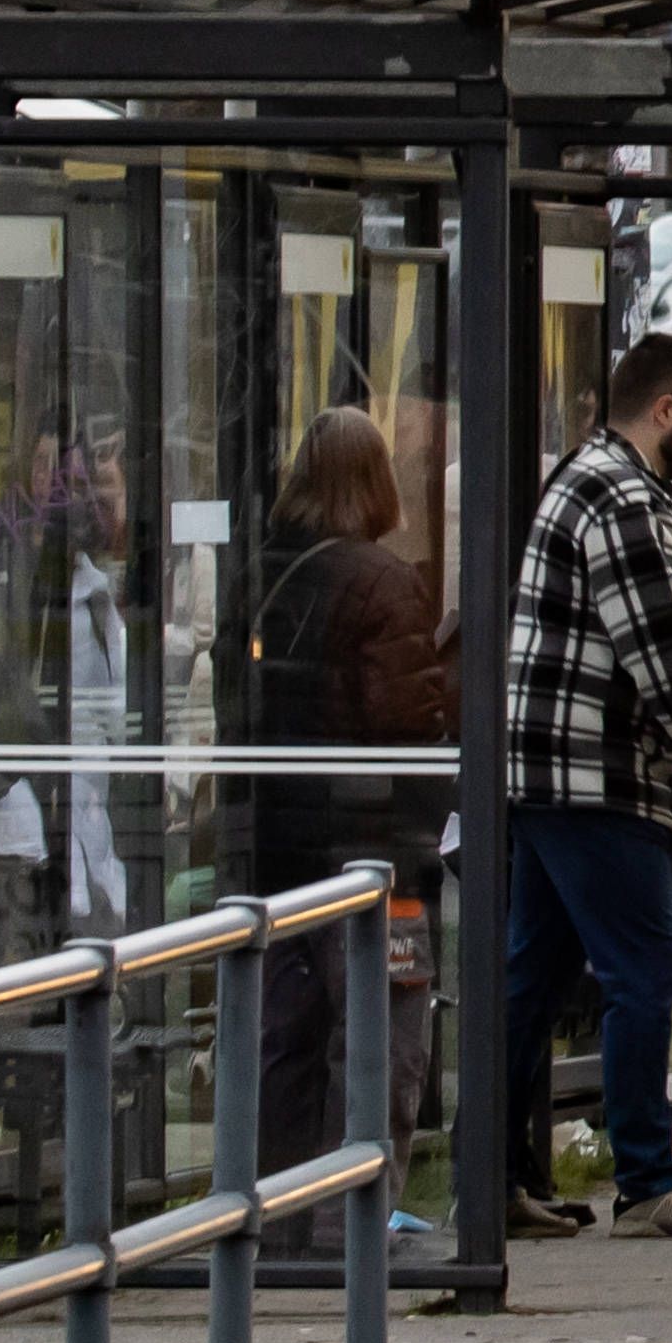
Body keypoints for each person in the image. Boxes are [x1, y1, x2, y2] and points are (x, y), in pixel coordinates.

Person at [500, 332, 672, 1241]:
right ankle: (648, 1178)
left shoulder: (602, 479)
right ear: (665, 409)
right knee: (645, 971)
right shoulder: (625, 497)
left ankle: (495, 1174)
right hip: (597, 773)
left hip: (556, 770)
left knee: (533, 976)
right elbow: (670, 666)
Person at [248, 407, 455, 1233]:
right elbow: (405, 723)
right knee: (381, 1045)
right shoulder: (383, 581)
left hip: (276, 848)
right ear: (377, 483)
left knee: (287, 1047)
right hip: (372, 854)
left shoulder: (264, 572)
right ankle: (354, 1224)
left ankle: (274, 1218)